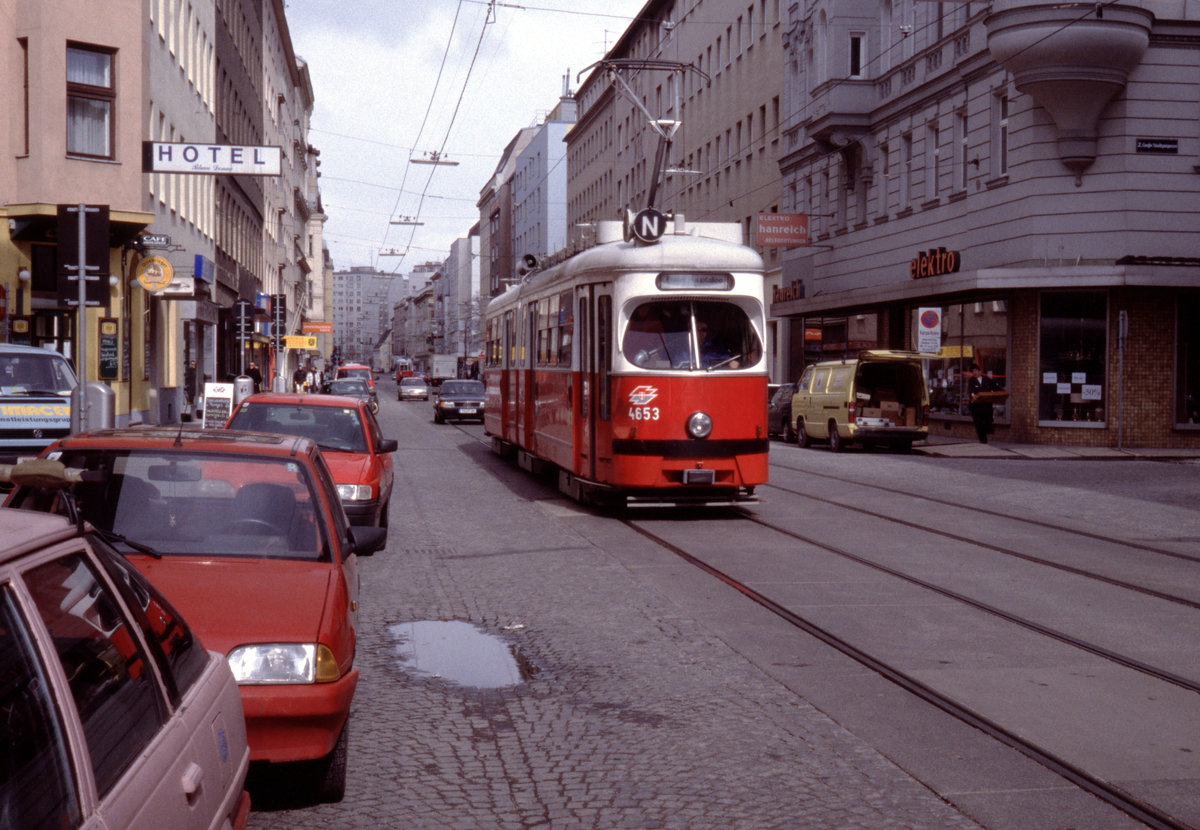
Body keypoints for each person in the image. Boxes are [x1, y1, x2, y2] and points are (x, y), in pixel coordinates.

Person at [967, 363, 995, 443]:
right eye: (973, 371)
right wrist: (972, 395)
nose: (974, 373)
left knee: (986, 421)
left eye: (975, 371)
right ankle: (982, 439)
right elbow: (970, 390)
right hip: (976, 406)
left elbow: (994, 387)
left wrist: (993, 392)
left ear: (980, 371)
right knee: (978, 423)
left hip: (986, 405)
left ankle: (985, 435)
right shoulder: (972, 381)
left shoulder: (987, 380)